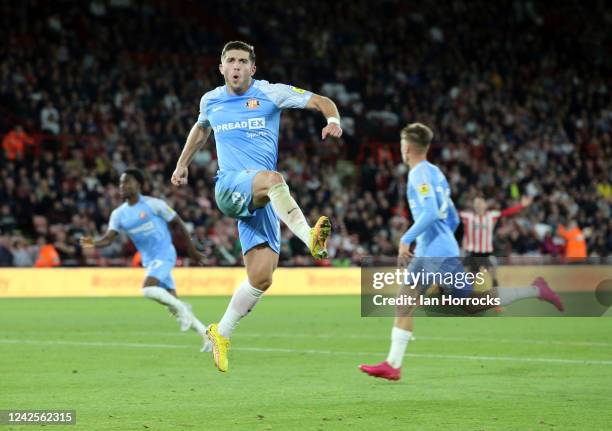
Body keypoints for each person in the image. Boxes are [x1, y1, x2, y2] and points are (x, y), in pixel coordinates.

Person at [171, 41, 342, 372]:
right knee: (273, 178)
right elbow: (200, 129)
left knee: (261, 277)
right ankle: (309, 237)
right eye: (230, 61)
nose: (236, 66)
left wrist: (333, 119)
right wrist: (182, 165)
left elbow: (321, 100)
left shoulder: (271, 93)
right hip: (229, 186)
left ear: (252, 68)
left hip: (261, 197)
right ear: (221, 68)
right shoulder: (211, 100)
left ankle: (220, 331)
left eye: (242, 61)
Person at [359, 123, 563, 381]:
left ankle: (536, 289)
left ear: (407, 147)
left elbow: (432, 212)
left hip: (435, 251)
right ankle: (392, 364)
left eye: (401, 144)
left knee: (471, 303)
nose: (401, 148)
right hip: (428, 250)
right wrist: (433, 239)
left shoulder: (418, 173)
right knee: (404, 301)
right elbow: (453, 218)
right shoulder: (436, 173)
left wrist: (406, 238)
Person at [80, 168, 210, 351]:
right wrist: (91, 242)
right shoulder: (118, 214)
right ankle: (207, 336)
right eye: (120, 183)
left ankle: (184, 307)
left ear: (138, 185)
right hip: (149, 261)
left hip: (165, 254)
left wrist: (191, 249)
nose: (122, 186)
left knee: (148, 288)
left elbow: (178, 222)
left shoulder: (153, 204)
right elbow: (109, 239)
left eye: (127, 181)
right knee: (173, 306)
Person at [460, 195, 533, 286]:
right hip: (472, 250)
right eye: (476, 203)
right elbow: (453, 213)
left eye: (480, 203)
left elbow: (507, 212)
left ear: (485, 205)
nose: (478, 205)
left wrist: (521, 205)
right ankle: (469, 292)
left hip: (486, 251)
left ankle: (494, 283)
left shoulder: (491, 215)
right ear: (474, 206)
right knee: (470, 274)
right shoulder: (468, 216)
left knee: (493, 266)